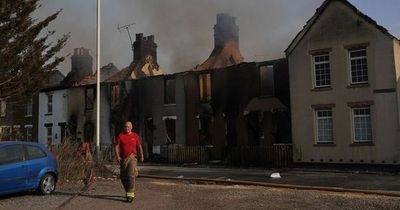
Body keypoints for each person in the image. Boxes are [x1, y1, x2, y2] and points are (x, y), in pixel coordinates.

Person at [115, 121, 144, 202]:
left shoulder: (135, 136)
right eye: (126, 127)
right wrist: (117, 156)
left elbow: (139, 146)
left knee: (130, 175)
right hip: (123, 158)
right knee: (123, 177)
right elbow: (117, 146)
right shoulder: (121, 136)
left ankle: (130, 195)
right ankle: (128, 192)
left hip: (132, 157)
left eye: (128, 127)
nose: (127, 128)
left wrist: (142, 155)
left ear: (131, 127)